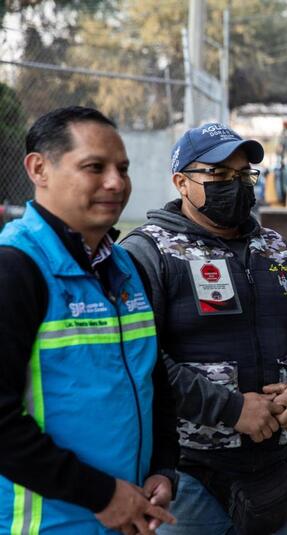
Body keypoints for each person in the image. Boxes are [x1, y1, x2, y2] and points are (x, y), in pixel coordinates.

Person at [121, 122, 287, 535]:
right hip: (187, 474)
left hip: (274, 468)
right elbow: (138, 358)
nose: (234, 185)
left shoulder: (274, 249)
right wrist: (232, 409)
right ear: (181, 182)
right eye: (217, 175)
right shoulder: (148, 253)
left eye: (242, 175)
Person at [0, 106, 178, 534]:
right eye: (94, 167)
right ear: (39, 168)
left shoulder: (124, 267)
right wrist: (100, 495)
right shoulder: (16, 269)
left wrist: (163, 469)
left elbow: (150, 378)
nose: (116, 183)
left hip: (128, 516)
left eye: (123, 168)